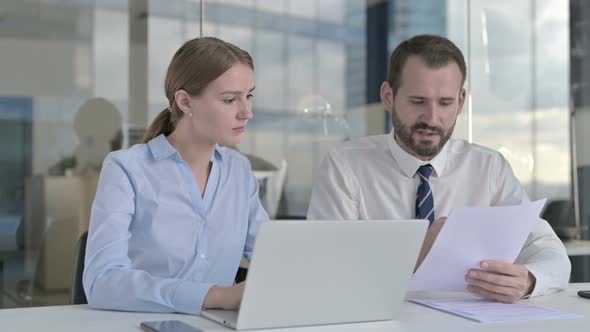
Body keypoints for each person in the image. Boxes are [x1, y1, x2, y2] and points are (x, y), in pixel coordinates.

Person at [307, 34, 570, 303]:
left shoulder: (489, 168)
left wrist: (529, 280)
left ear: (461, 101)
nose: (431, 119)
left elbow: (549, 252)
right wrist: (416, 254)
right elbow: (323, 270)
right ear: (388, 97)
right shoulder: (345, 166)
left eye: (445, 103)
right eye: (418, 101)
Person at [83, 37, 268, 315]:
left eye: (249, 95)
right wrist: (216, 296)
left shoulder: (238, 171)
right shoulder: (126, 168)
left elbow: (274, 259)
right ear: (185, 102)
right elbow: (102, 282)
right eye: (230, 99)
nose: (247, 112)